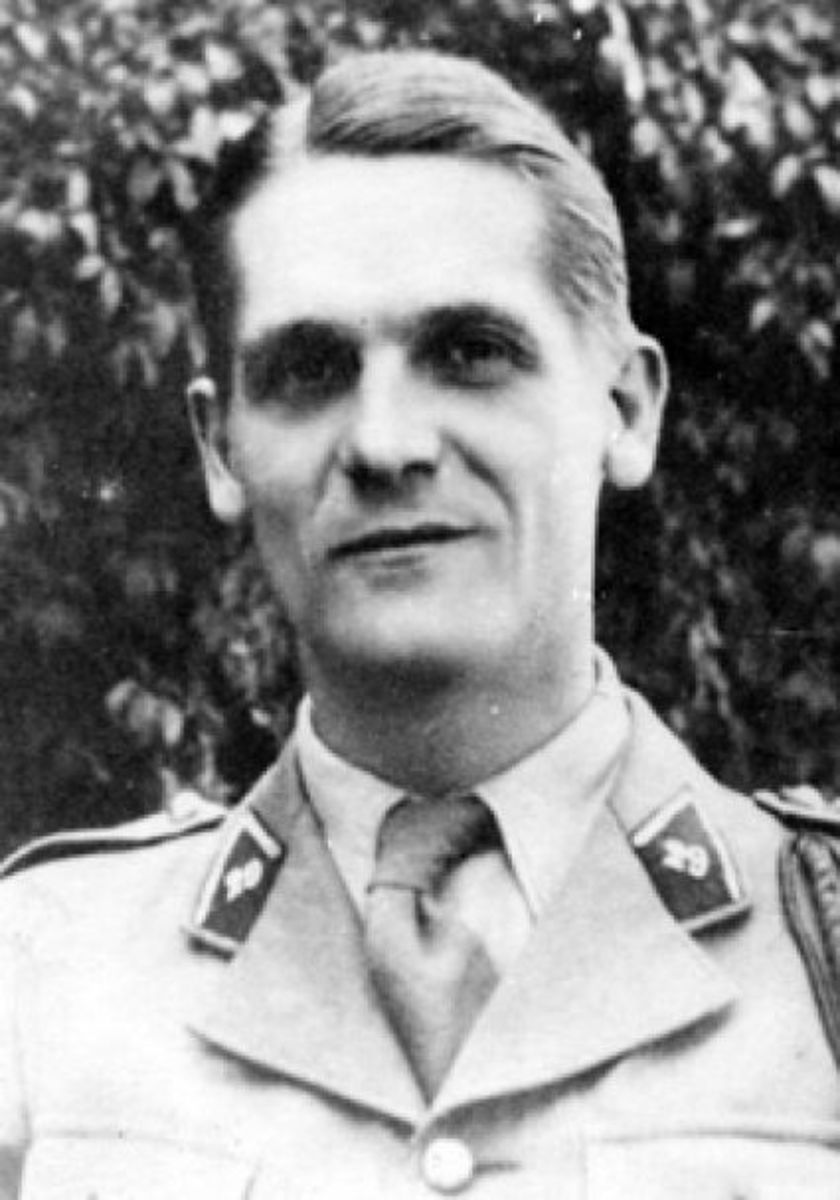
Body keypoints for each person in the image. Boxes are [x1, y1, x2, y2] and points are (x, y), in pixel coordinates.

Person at [1, 49, 839, 1199]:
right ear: (221, 447)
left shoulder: (817, 951)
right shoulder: (42, 978)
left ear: (626, 408)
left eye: (471, 354)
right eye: (309, 370)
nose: (385, 442)